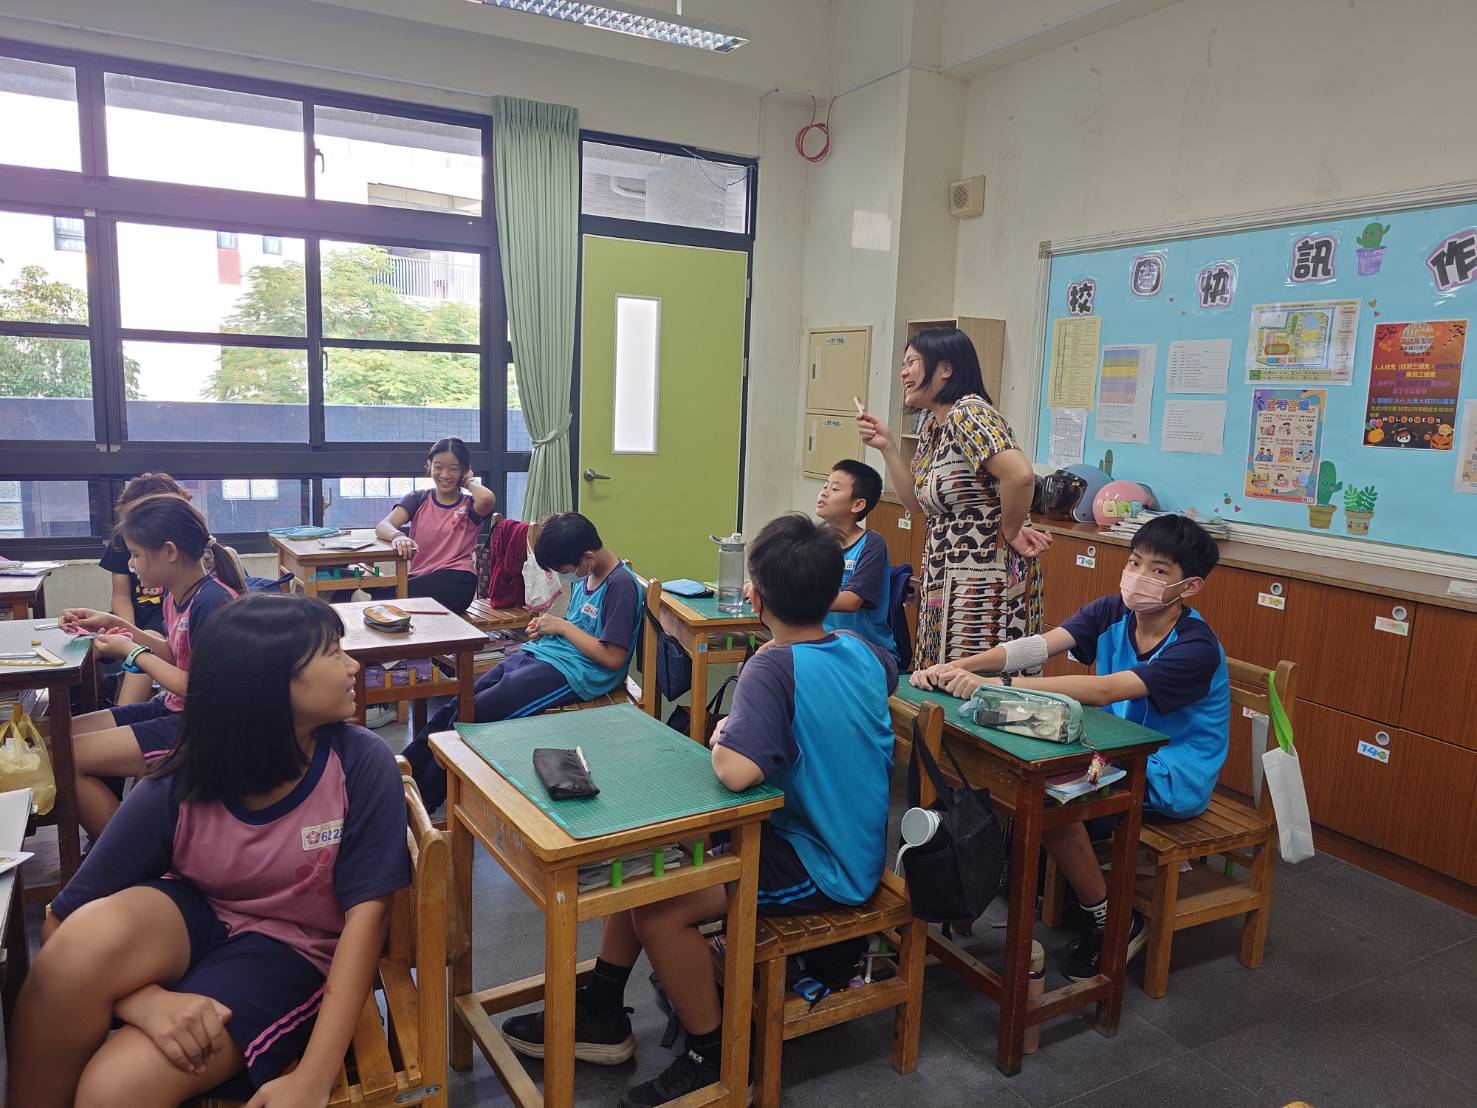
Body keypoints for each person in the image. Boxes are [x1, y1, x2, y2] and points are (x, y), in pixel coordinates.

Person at [499, 515, 898, 1107]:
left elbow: (736, 771)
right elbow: (868, 694)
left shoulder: (773, 666)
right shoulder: (864, 650)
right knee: (647, 862)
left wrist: (725, 733)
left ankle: (711, 1056)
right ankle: (602, 1007)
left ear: (755, 597)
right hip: (830, 833)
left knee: (660, 909)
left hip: (826, 864)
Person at [7, 592, 411, 1108]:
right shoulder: (186, 777)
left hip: (291, 950)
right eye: (333, 652)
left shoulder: (359, 762)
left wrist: (313, 1076)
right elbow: (63, 925)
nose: (353, 665)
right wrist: (145, 1003)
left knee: (114, 1089)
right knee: (72, 957)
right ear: (271, 683)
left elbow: (367, 919)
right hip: (193, 915)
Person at [912, 514, 1229, 980]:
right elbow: (1037, 647)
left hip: (1168, 774)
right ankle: (1009, 877)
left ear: (1191, 586)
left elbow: (1104, 690)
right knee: (1008, 772)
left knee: (1050, 800)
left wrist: (995, 685)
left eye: (1158, 570)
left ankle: (1113, 922)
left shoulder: (1195, 646)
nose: (1139, 576)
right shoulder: (1114, 611)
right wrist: (959, 666)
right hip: (1112, 752)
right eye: (1135, 562)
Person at [403, 512, 640, 810]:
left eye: (564, 570)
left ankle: (422, 803)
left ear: (588, 557)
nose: (565, 576)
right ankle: (403, 771)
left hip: (577, 674)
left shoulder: (620, 585)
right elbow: (583, 627)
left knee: (476, 717)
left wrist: (562, 627)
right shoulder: (588, 573)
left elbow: (613, 658)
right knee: (462, 701)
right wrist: (547, 627)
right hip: (548, 655)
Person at [856, 326, 1051, 669]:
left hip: (984, 584)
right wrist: (887, 446)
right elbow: (916, 504)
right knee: (942, 679)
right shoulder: (932, 426)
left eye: (912, 362)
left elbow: (1020, 475)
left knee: (977, 683)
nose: (903, 373)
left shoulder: (968, 413)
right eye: (903, 364)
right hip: (945, 579)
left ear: (945, 368)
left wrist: (1010, 530)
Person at [60, 495, 244, 839]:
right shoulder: (177, 594)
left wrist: (132, 652)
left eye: (136, 555)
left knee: (63, 757)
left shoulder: (213, 602)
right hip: (174, 707)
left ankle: (130, 856)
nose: (132, 565)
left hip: (201, 725)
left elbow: (202, 689)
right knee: (60, 736)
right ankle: (129, 840)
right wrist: (116, 624)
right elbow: (175, 655)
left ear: (169, 551)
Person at [372, 436, 496, 615]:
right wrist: (398, 536)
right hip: (420, 578)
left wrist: (469, 481)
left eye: (454, 468)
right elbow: (383, 525)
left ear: (464, 471)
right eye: (438, 467)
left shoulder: (470, 505)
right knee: (381, 595)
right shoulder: (418, 499)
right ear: (429, 466)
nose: (445, 475)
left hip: (456, 580)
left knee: (383, 599)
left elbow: (487, 498)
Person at [99, 473, 193, 706]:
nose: (132, 563)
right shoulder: (122, 540)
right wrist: (125, 630)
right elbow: (120, 595)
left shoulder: (183, 549)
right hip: (133, 614)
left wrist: (132, 646)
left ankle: (126, 708)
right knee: (93, 643)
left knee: (145, 647)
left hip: (160, 618)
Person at [816, 458, 897, 659]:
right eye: (825, 486)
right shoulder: (813, 541)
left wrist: (793, 597)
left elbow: (851, 601)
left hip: (866, 651)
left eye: (835, 489)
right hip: (822, 645)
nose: (824, 492)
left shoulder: (872, 544)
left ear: (858, 505)